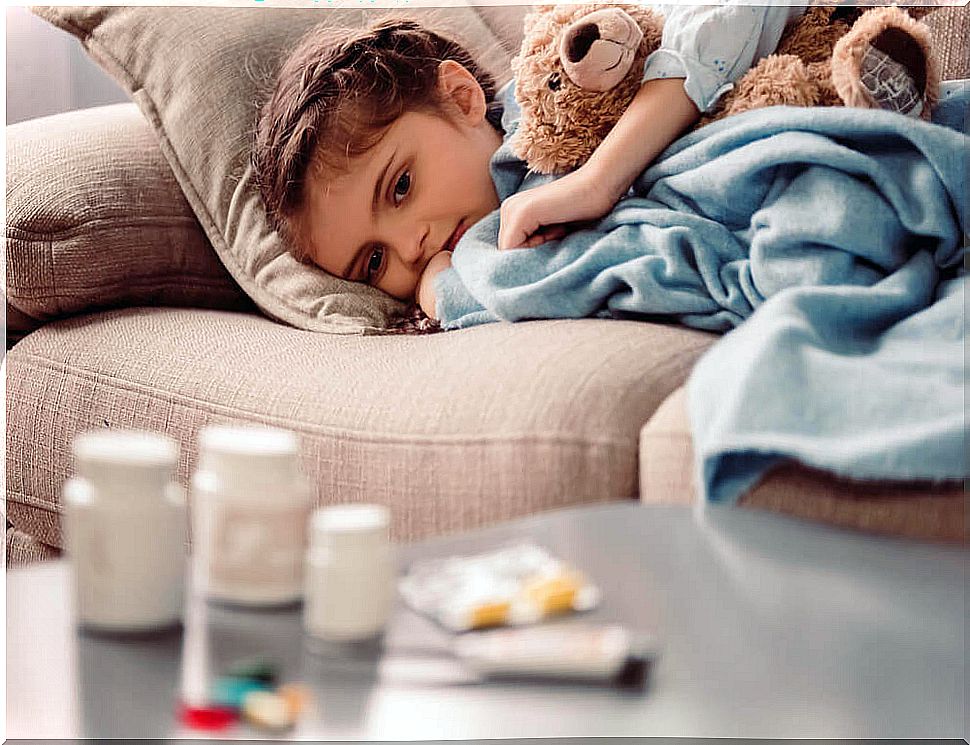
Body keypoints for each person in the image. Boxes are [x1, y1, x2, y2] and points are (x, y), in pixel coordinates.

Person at [253, 6, 808, 319]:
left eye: (400, 187)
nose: (409, 247)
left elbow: (725, 15)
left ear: (462, 98)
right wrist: (443, 293)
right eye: (373, 263)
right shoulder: (482, 258)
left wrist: (597, 179)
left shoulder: (569, 82)